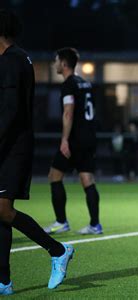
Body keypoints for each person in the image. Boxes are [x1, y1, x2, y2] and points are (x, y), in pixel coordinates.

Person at [0, 10, 74, 295]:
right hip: (12, 143)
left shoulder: (11, 61)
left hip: (11, 146)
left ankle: (57, 251)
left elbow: (10, 112)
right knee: (1, 212)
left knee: (4, 210)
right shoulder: (18, 57)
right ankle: (4, 281)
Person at [43, 47, 102, 235]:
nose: (54, 64)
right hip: (89, 137)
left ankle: (61, 222)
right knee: (87, 178)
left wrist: (64, 140)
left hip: (75, 139)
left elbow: (68, 112)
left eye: (56, 60)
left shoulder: (69, 84)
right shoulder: (85, 83)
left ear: (64, 63)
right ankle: (95, 224)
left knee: (54, 175)